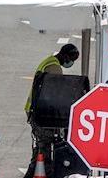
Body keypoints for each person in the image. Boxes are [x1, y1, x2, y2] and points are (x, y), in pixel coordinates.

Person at [23, 44, 79, 178]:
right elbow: (56, 94)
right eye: (71, 59)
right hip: (40, 114)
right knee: (45, 149)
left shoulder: (48, 61)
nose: (71, 63)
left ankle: (31, 173)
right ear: (65, 55)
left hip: (34, 110)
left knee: (40, 148)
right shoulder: (54, 68)